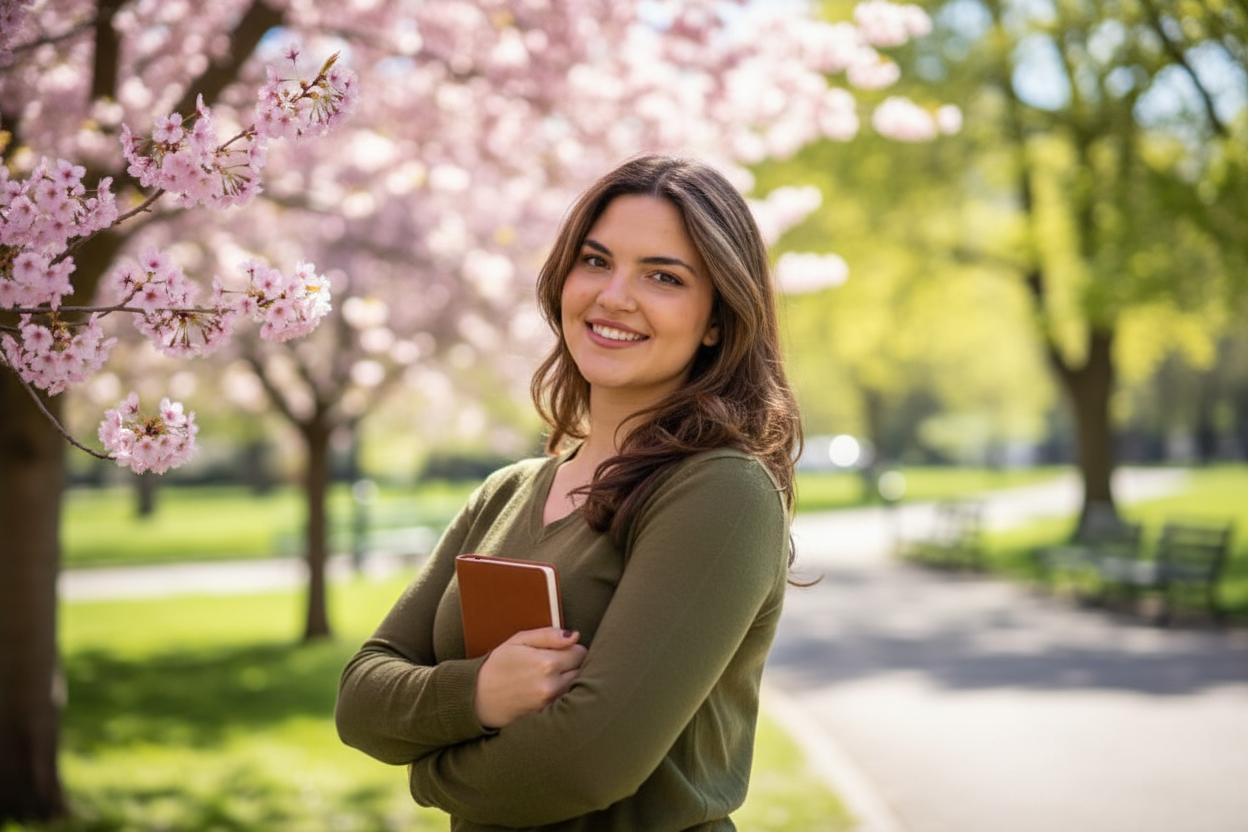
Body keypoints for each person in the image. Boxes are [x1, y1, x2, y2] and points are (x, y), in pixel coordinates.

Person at [335, 154, 811, 831]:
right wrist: (479, 694)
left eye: (663, 276)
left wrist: (427, 773)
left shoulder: (720, 493)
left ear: (717, 319)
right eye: (595, 261)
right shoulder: (506, 494)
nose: (614, 295)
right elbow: (360, 698)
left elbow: (581, 765)